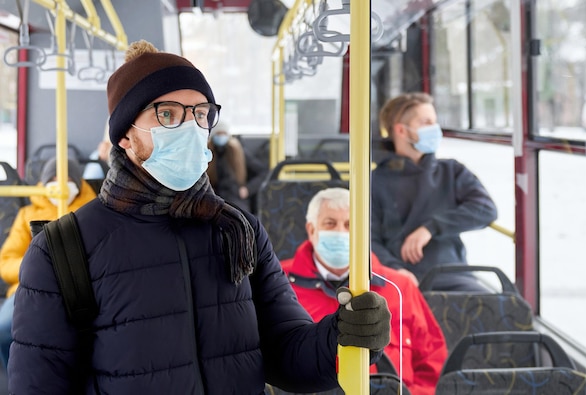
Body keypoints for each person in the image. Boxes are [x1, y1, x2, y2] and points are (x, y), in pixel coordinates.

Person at [8, 40, 391, 394]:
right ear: (126, 135)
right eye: (168, 114)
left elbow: (287, 354)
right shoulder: (64, 251)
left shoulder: (238, 231)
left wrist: (343, 336)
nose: (191, 128)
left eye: (201, 113)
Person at [281, 187, 448, 395]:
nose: (340, 232)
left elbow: (432, 365)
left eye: (349, 225)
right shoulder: (278, 284)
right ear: (312, 230)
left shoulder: (400, 287)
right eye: (330, 224)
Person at [372, 92, 498, 291]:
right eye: (426, 122)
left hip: (452, 274)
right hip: (399, 278)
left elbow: (485, 210)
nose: (434, 128)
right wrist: (395, 270)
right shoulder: (375, 181)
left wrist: (430, 228)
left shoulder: (452, 171)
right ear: (401, 131)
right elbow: (369, 240)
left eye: (434, 121)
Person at [0, 157, 96, 371]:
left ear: (78, 183)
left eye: (66, 178)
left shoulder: (92, 213)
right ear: (44, 183)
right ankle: (16, 375)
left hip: (81, 287)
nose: (59, 184)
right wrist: (36, 269)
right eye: (52, 178)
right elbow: (6, 262)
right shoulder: (27, 215)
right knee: (4, 328)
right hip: (28, 287)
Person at [206, 121, 253, 211]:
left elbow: (262, 172)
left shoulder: (239, 152)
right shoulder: (207, 153)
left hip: (235, 197)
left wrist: (248, 189)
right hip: (213, 197)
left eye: (223, 134)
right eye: (218, 134)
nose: (221, 137)